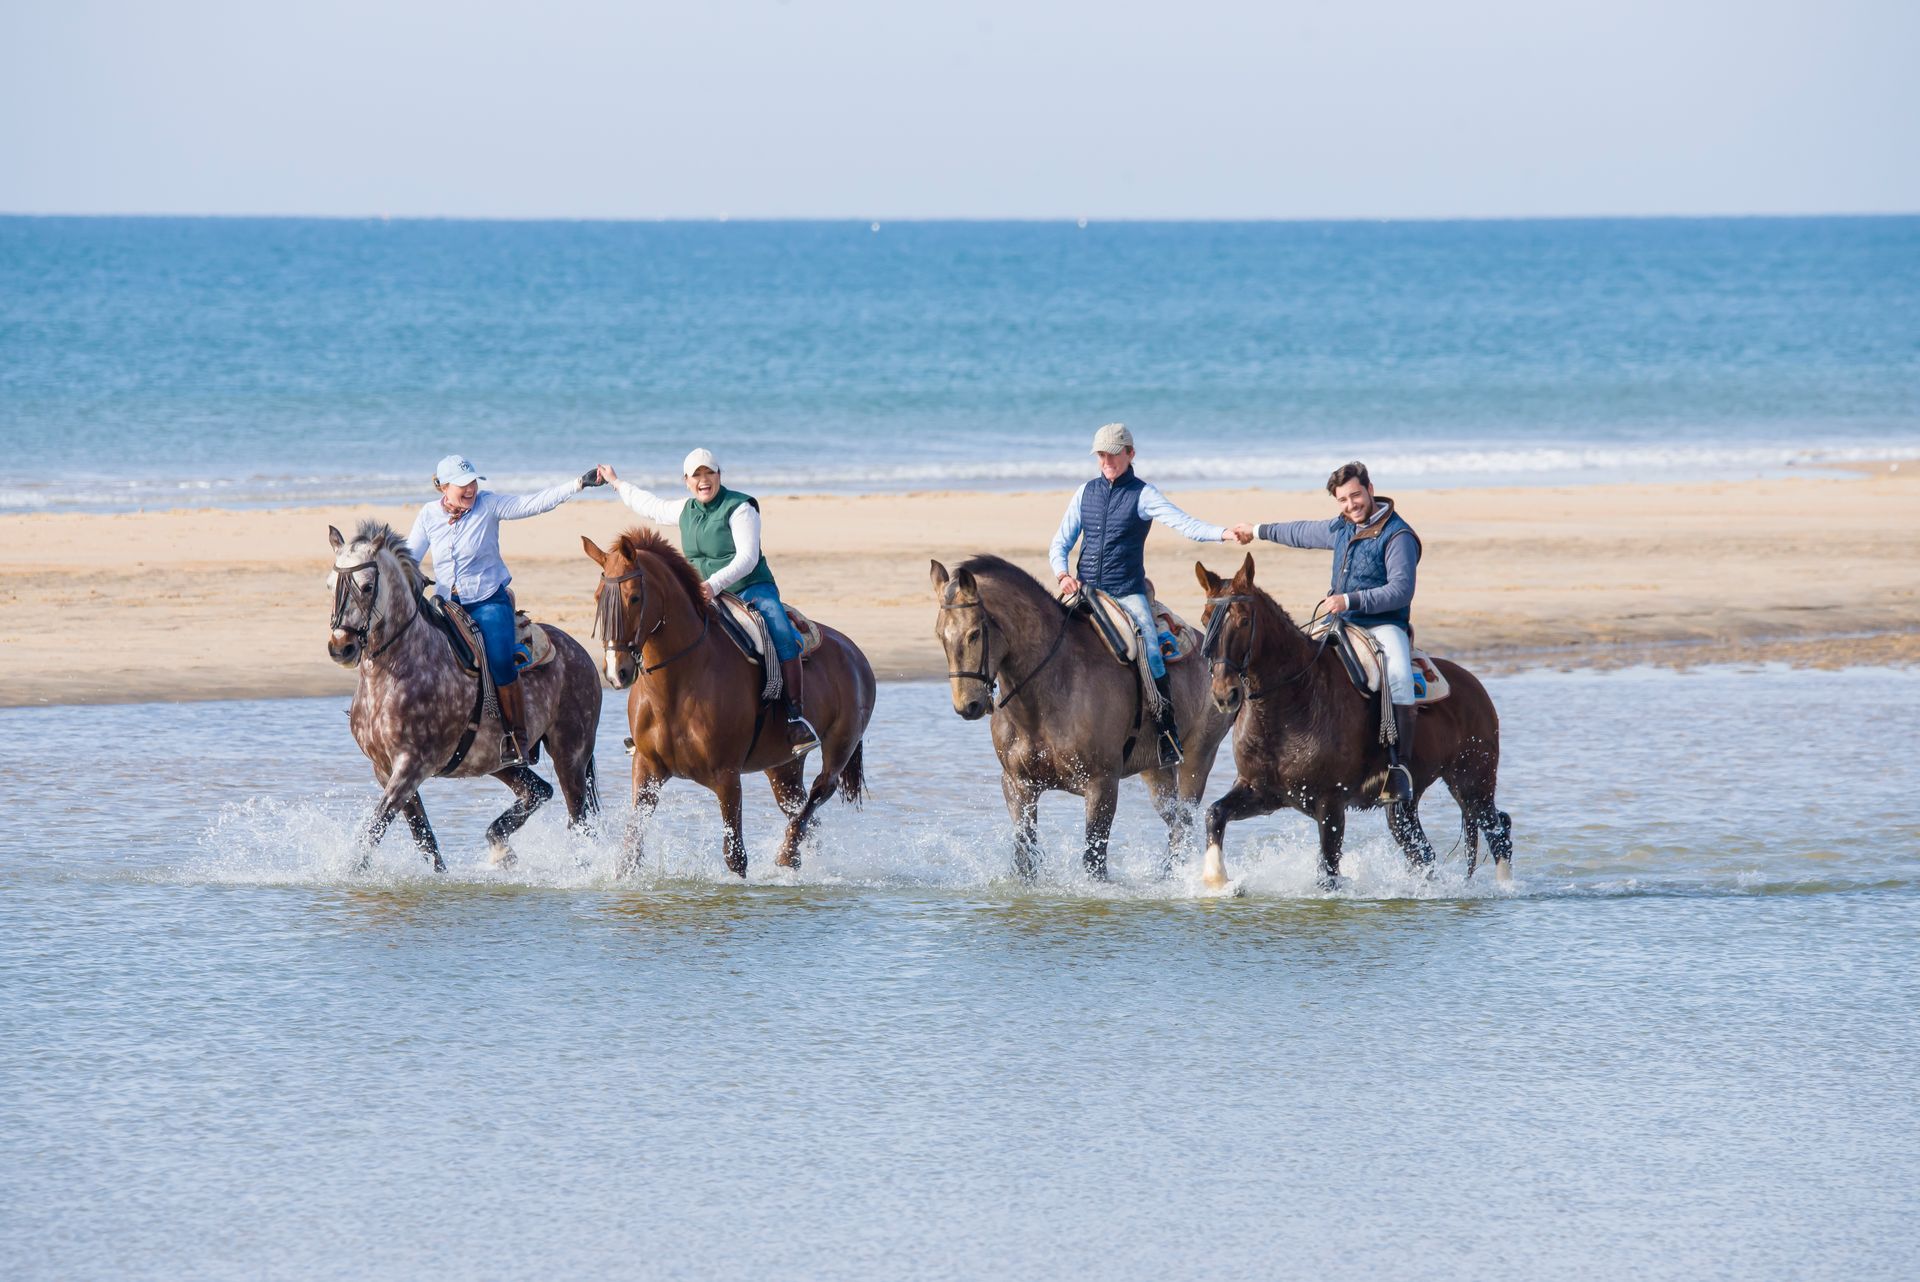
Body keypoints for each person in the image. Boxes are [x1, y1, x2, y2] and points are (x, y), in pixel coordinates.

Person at [1050, 423, 1251, 766]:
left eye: (1114, 454)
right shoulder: (1085, 492)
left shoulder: (1144, 495)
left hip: (1126, 593)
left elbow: (1184, 523)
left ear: (1130, 454)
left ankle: (1166, 729)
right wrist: (1062, 573)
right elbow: (1060, 542)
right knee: (1043, 635)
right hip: (1083, 590)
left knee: (1150, 648)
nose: (1107, 461)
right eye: (1101, 454)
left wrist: (1223, 533)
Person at [599, 450, 818, 757]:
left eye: (709, 474)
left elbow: (747, 557)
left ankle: (794, 718)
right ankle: (652, 725)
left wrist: (713, 585)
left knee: (780, 631)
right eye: (696, 476)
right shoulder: (684, 510)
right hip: (701, 592)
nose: (703, 481)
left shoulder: (741, 508)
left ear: (718, 475)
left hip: (750, 588)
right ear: (686, 481)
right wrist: (616, 482)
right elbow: (648, 505)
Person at [1228, 460, 1422, 802]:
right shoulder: (1341, 527)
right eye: (1343, 501)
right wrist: (1256, 530)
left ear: (1370, 490)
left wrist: (1350, 599)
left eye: (1355, 496)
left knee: (1399, 677)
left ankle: (1398, 769)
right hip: (1340, 622)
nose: (1351, 505)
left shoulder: (1398, 535)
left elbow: (1401, 590)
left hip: (1383, 625)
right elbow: (1300, 532)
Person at [406, 453, 605, 766]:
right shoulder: (428, 515)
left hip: (488, 601)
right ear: (444, 487)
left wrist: (578, 483)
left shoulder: (490, 505)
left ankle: (517, 736)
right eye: (461, 485)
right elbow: (408, 557)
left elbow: (533, 503)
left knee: (500, 661)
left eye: (472, 482)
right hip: (446, 606)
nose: (469, 489)